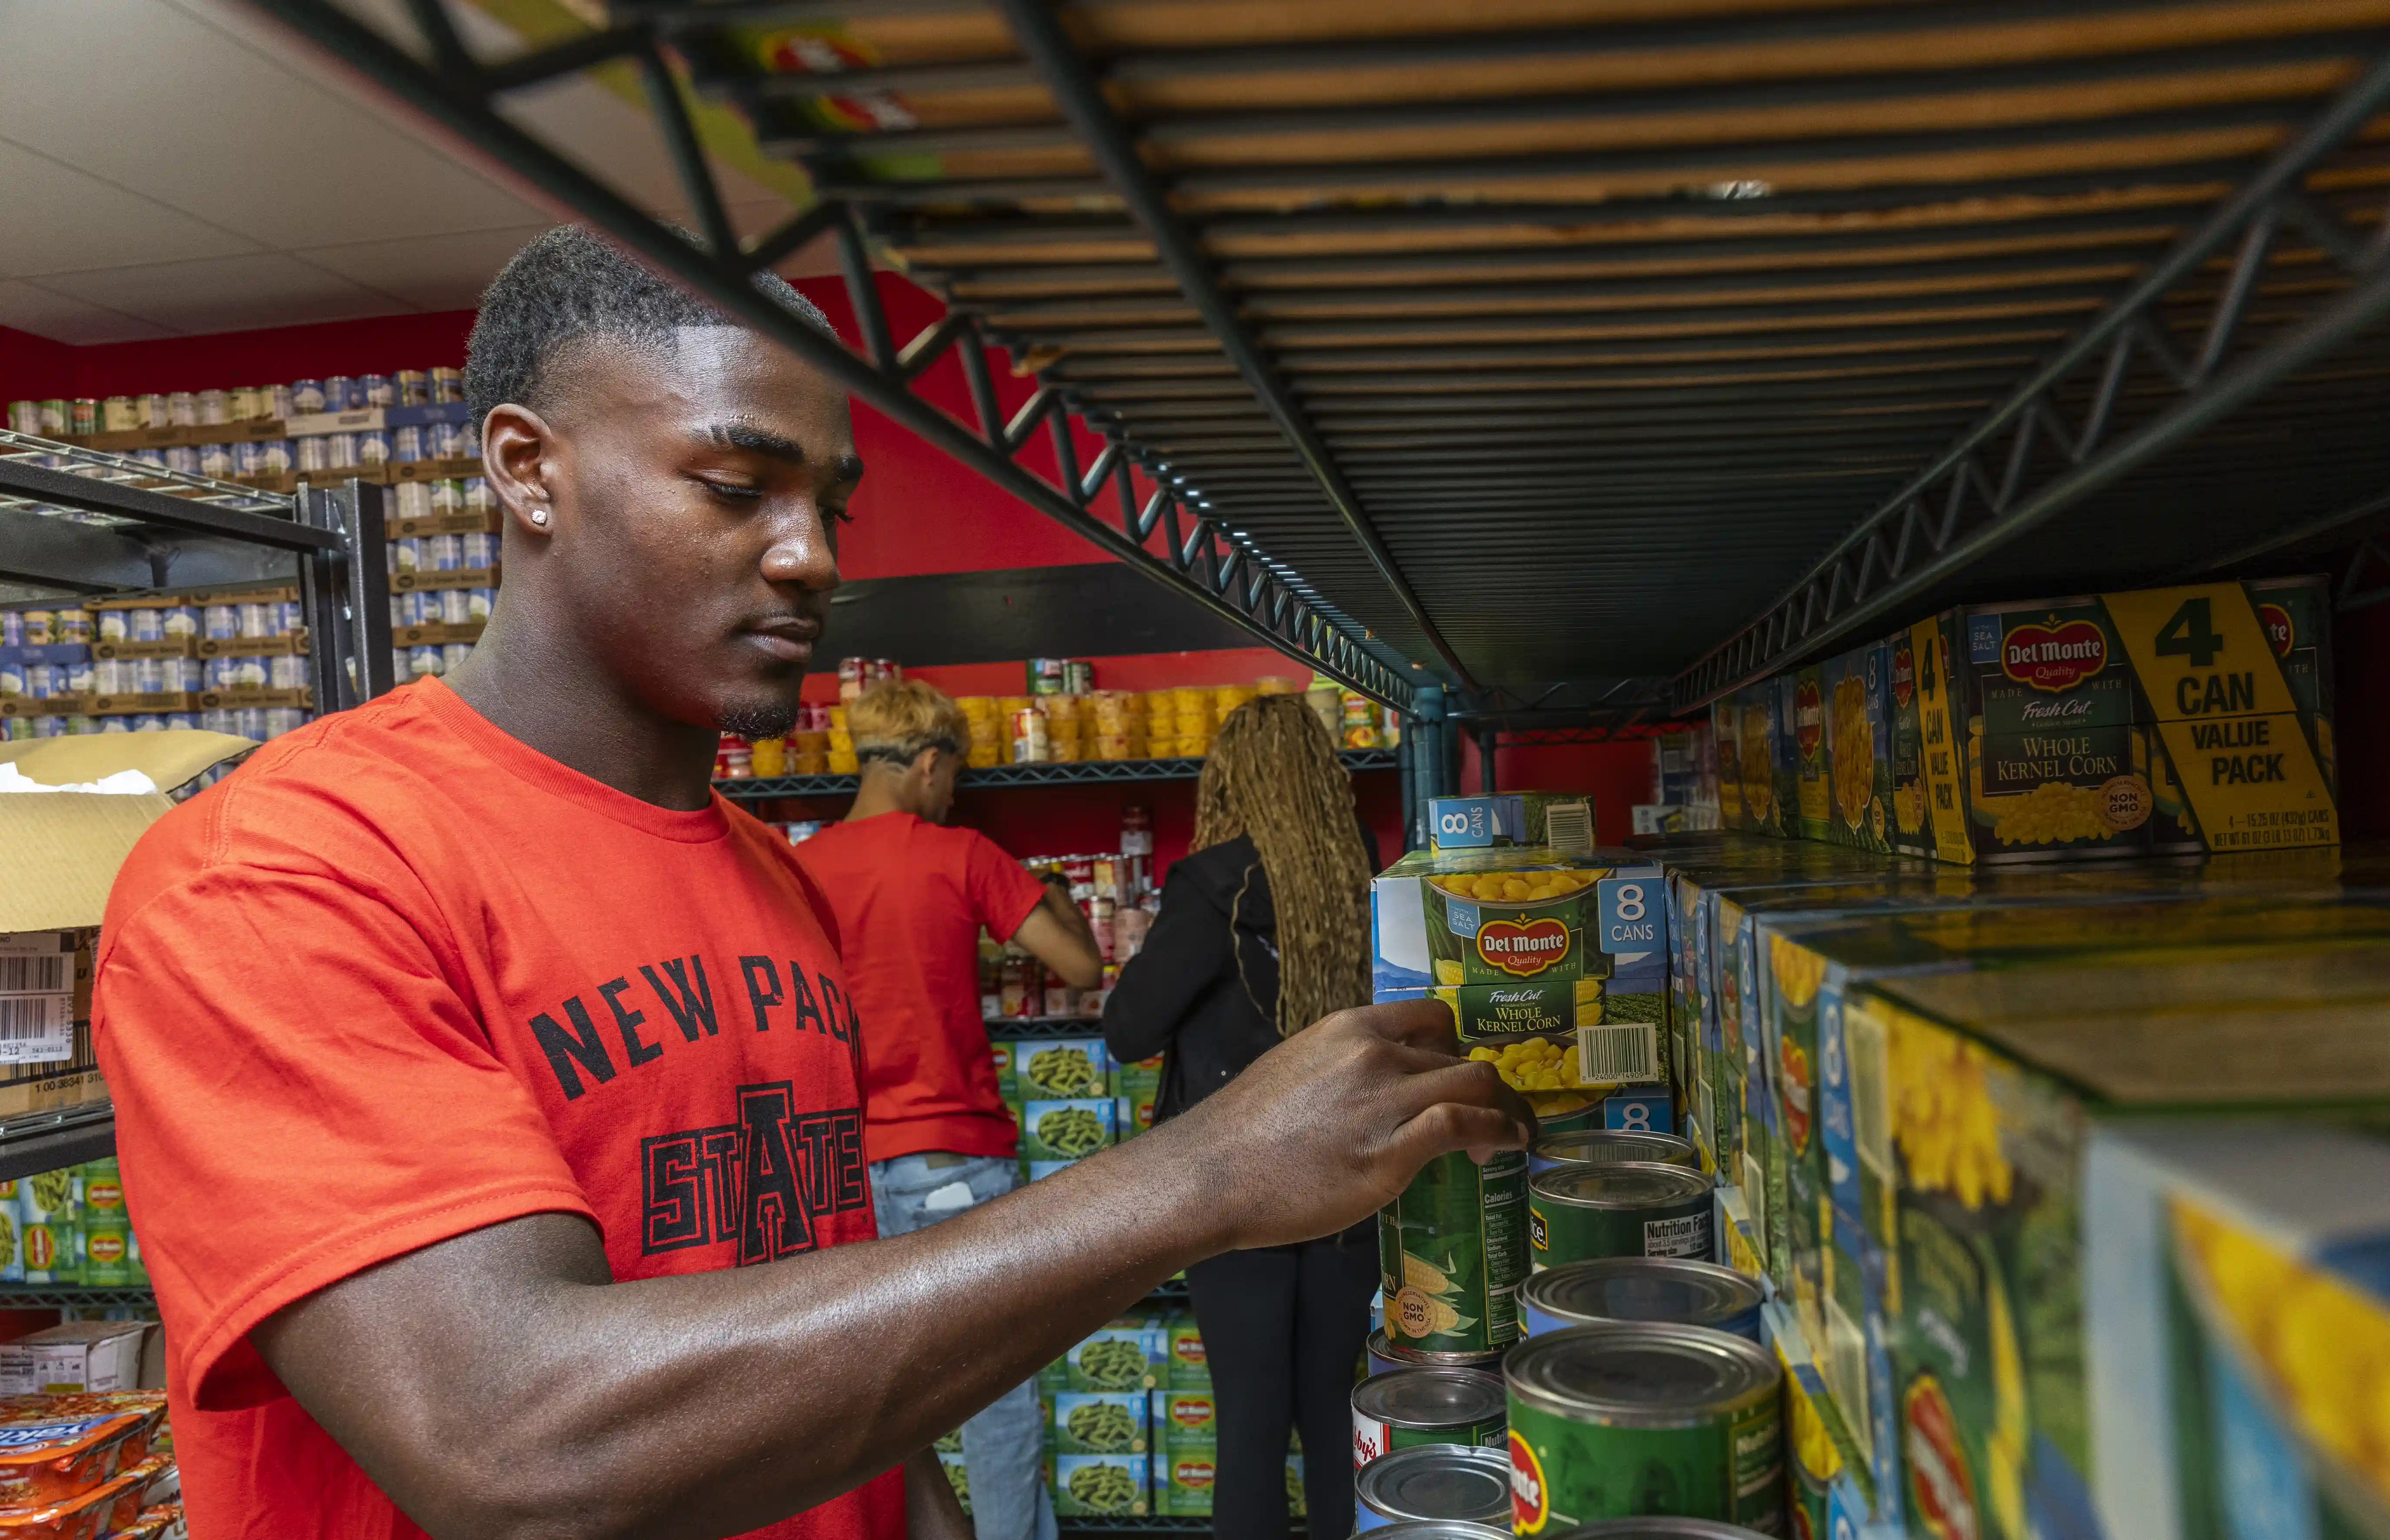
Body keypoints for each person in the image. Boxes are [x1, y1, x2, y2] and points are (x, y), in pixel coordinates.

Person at [90, 225, 1531, 1540]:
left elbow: (820, 1301)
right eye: (736, 488)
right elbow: (504, 1437)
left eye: (831, 503)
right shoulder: (286, 871)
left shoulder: (774, 878)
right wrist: (1200, 1177)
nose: (812, 556)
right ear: (530, 471)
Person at [791, 678, 1103, 1540]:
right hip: (952, 1157)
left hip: (839, 1171)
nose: (954, 794)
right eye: (953, 776)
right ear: (928, 766)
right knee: (993, 1392)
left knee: (873, 1397)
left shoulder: (796, 867)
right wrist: (1052, 892)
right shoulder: (959, 854)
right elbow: (1079, 967)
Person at [1101, 694, 1382, 1540]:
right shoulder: (1361, 865)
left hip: (1237, 1189)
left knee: (1252, 1433)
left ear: (1231, 778)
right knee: (1342, 1422)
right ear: (1322, 775)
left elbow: (1128, 1031)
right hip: (1349, 1179)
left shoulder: (1213, 883)